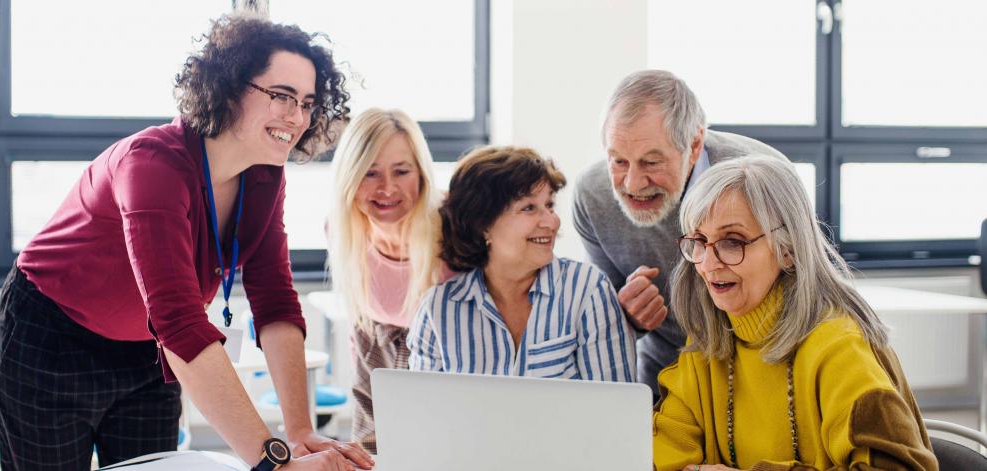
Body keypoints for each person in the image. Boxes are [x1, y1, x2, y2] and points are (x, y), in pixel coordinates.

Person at [0, 13, 373, 470]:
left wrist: (299, 432)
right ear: (231, 86)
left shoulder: (265, 175)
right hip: (52, 337)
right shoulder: (152, 164)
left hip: (148, 353)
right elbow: (178, 320)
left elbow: (274, 299)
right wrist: (274, 465)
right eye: (281, 96)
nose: (297, 118)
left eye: (308, 103)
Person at [653, 154, 937, 471]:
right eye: (700, 240)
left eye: (732, 242)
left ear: (787, 250)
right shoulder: (709, 342)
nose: (707, 263)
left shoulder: (840, 348)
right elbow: (663, 453)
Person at [572, 70, 791, 395]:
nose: (632, 184)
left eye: (651, 163)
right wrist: (627, 316)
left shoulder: (761, 178)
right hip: (667, 373)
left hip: (764, 366)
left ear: (694, 143)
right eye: (618, 161)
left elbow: (805, 289)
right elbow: (604, 320)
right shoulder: (593, 196)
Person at [408, 146, 636, 382]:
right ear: (482, 223)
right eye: (528, 208)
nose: (552, 221)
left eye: (549, 205)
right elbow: (423, 414)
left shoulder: (587, 291)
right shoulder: (437, 310)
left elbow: (613, 410)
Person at [326, 108, 449, 453]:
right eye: (370, 173)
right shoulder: (342, 229)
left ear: (421, 174)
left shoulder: (455, 229)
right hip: (377, 366)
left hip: (448, 374)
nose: (387, 189)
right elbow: (360, 333)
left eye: (401, 171)